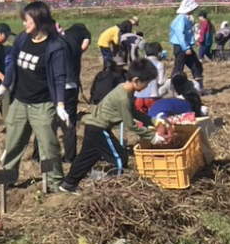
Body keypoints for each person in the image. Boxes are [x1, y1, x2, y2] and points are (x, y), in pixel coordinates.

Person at [0, 1, 71, 189]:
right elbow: (13, 65)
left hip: (43, 104)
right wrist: (3, 88)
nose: (24, 24)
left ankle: (54, 183)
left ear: (38, 19)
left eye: (27, 20)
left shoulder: (55, 46)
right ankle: (7, 180)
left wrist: (60, 105)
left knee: (48, 146)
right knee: (13, 144)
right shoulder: (21, 39)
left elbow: (59, 77)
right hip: (19, 101)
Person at [58, 60, 164, 194]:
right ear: (136, 80)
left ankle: (68, 183)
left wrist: (154, 121)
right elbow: (130, 125)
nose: (146, 87)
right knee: (119, 158)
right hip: (99, 128)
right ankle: (113, 190)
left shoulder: (124, 89)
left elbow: (134, 112)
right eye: (146, 84)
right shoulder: (123, 98)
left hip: (93, 125)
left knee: (87, 157)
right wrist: (153, 137)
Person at [59, 22, 92, 163]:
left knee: (48, 121)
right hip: (71, 84)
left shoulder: (58, 40)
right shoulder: (84, 34)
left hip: (55, 85)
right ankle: (70, 156)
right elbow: (84, 46)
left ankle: (39, 155)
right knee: (69, 121)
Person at [170, 0, 203, 90]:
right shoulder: (181, 19)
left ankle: (199, 87)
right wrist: (186, 48)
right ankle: (173, 88)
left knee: (196, 66)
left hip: (185, 46)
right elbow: (180, 34)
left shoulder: (185, 18)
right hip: (181, 47)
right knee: (178, 68)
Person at [134, 43, 170, 114]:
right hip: (152, 96)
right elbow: (160, 82)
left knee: (140, 117)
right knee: (153, 116)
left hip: (138, 96)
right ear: (159, 53)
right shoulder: (159, 64)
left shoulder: (139, 63)